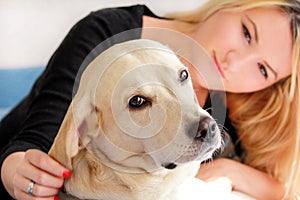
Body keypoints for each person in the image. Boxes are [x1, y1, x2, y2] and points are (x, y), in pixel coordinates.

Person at [0, 0, 299, 199]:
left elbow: (278, 186)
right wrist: (20, 175)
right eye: (247, 34)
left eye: (262, 69)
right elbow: (34, 142)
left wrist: (225, 169)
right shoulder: (106, 35)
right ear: (229, 5)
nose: (234, 62)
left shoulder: (242, 100)